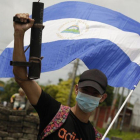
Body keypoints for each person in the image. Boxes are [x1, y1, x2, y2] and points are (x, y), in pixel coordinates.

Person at [12, 13, 108, 140]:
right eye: (86, 90)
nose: (89, 95)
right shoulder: (54, 112)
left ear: (102, 98)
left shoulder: (95, 137)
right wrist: (19, 33)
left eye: (94, 93)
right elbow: (21, 78)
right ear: (76, 89)